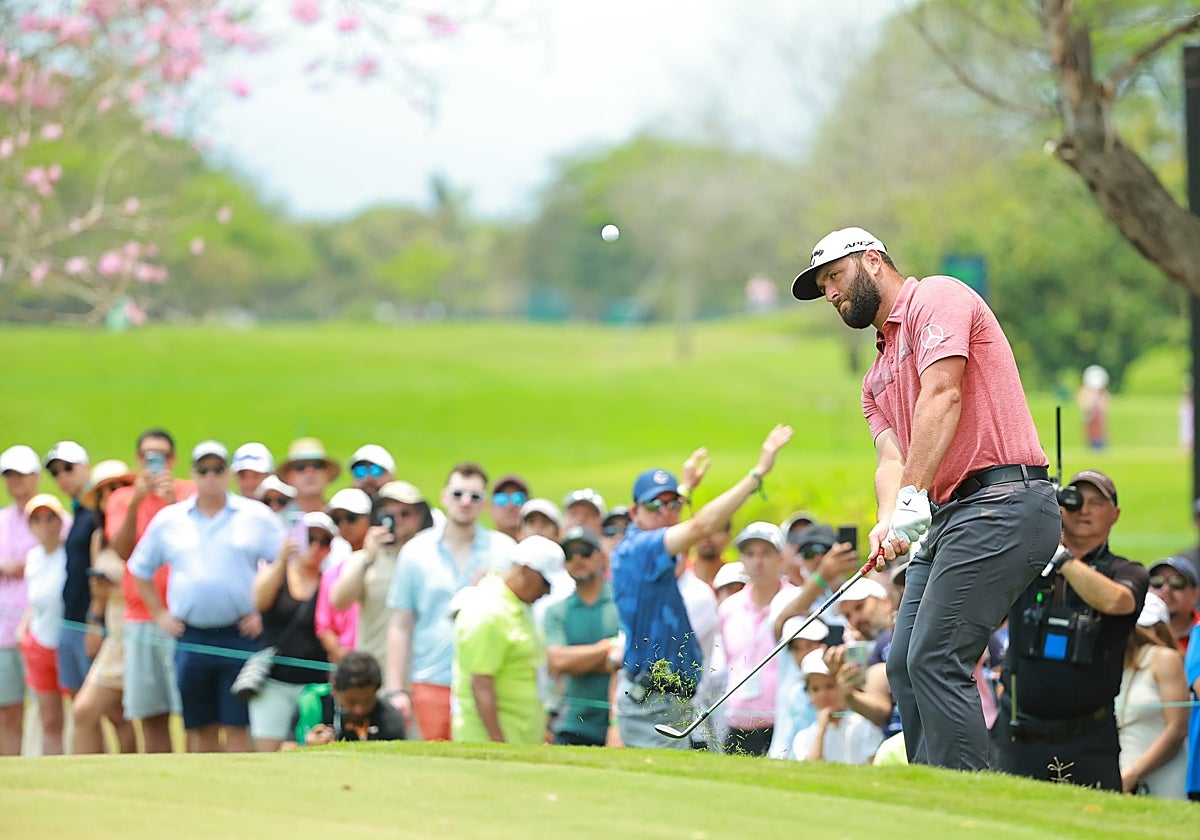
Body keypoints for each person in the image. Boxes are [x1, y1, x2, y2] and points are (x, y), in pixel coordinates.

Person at [791, 226, 1060, 771]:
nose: (832, 293)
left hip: (1006, 500)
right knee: (904, 667)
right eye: (823, 287)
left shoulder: (935, 298)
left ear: (873, 260)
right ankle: (928, 796)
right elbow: (892, 459)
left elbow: (945, 393)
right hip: (952, 517)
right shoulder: (875, 377)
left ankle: (965, 807)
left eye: (835, 277)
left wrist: (912, 501)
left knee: (936, 657)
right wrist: (888, 519)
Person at [611, 425, 792, 749]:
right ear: (634, 512)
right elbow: (701, 526)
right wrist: (757, 473)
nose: (666, 512)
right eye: (654, 506)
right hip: (651, 703)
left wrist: (685, 490)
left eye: (673, 504)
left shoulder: (652, 544)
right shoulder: (637, 549)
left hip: (674, 701)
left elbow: (677, 527)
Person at [996, 469, 1148, 790]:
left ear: (1115, 514)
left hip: (1089, 738)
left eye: (1097, 502)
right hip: (1017, 732)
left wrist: (1060, 558)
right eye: (1076, 501)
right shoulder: (1027, 562)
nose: (1085, 510)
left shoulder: (1126, 571)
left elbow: (1117, 601)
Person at [129, 440, 284, 753]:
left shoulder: (255, 515)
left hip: (239, 633)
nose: (211, 477)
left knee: (237, 723)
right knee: (198, 725)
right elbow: (140, 568)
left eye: (217, 470)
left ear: (226, 473)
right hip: (191, 634)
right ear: (194, 474)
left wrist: (262, 613)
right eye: (204, 470)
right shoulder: (171, 519)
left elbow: (284, 564)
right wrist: (159, 613)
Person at [384, 461, 515, 741]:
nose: (465, 502)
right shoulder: (416, 552)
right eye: (458, 494)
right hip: (430, 680)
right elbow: (400, 624)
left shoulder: (504, 551)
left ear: (484, 503)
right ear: (444, 497)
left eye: (475, 496)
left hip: (487, 682)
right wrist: (396, 688)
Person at [107, 427, 195, 753]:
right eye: (148, 456)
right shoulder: (122, 498)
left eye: (162, 455)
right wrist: (136, 503)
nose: (155, 462)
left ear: (173, 459)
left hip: (181, 615)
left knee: (190, 710)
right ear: (138, 459)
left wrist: (172, 503)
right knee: (151, 711)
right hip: (140, 616)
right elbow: (122, 549)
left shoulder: (188, 493)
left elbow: (198, 544)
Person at [452, 535, 562, 744]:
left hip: (521, 737)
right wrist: (499, 745)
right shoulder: (489, 612)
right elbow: (481, 683)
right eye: (546, 582)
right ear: (526, 570)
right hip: (491, 743)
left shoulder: (519, 605)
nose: (548, 591)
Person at [250, 511, 334, 751]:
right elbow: (260, 601)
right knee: (268, 750)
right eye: (310, 538)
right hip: (274, 683)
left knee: (313, 750)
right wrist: (283, 560)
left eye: (324, 541)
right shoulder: (276, 574)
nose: (316, 546)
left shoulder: (328, 581)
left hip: (314, 688)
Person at [330, 481, 432, 672]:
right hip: (374, 672)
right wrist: (368, 557)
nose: (398, 520)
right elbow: (339, 600)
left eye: (405, 513)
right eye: (390, 515)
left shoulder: (431, 560)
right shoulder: (363, 559)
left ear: (419, 517)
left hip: (420, 672)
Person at [72, 460, 138, 755]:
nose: (111, 494)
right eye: (104, 491)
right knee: (97, 713)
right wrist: (93, 622)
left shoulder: (142, 528)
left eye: (118, 487)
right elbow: (97, 592)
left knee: (129, 716)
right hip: (113, 634)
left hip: (137, 632)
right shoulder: (99, 538)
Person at [718, 522, 791, 755]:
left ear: (781, 558)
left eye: (766, 553)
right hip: (738, 723)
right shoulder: (729, 607)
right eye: (750, 554)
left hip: (782, 723)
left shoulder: (794, 601)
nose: (757, 562)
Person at [544, 527, 620, 747]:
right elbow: (557, 661)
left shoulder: (622, 603)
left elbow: (628, 658)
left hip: (618, 723)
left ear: (601, 557)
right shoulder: (557, 611)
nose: (577, 559)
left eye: (585, 551)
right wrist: (607, 649)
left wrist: (577, 660)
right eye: (569, 554)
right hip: (572, 723)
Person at [0, 444, 49, 756]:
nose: (15, 480)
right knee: (7, 710)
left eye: (21, 474)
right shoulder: (1, 520)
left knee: (46, 711)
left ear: (36, 476)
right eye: (9, 475)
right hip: (4, 631)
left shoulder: (51, 516)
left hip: (42, 628)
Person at [1116, 593, 1190, 798]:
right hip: (1122, 775)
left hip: (1161, 776)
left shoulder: (1163, 658)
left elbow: (1177, 728)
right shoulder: (1116, 663)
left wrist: (1135, 774)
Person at [16, 494, 72, 755]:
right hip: (39, 643)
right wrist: (24, 630)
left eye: (50, 518)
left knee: (80, 712)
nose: (45, 524)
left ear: (61, 521)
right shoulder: (34, 558)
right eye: (37, 519)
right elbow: (35, 600)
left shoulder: (70, 553)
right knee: (50, 718)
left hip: (68, 643)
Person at [43, 441, 94, 706]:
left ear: (85, 468)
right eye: (55, 472)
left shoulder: (96, 513)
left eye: (68, 468)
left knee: (101, 708)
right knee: (77, 705)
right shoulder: (77, 512)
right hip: (71, 620)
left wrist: (95, 619)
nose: (62, 476)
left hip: (90, 622)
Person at [287, 651, 405, 747]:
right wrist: (307, 747)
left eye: (367, 701)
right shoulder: (312, 703)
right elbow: (286, 748)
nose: (359, 709)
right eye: (351, 702)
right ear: (334, 688)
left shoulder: (390, 719)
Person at [791, 649, 883, 765]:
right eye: (815, 689)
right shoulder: (803, 737)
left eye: (830, 686)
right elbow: (810, 771)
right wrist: (821, 731)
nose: (823, 694)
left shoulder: (865, 727)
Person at [1146, 556, 1200, 654]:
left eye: (1177, 583)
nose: (1166, 589)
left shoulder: (1198, 629)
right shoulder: (1135, 632)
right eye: (1157, 582)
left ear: (1195, 594)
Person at [278, 437, 340, 514]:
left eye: (317, 465)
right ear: (288, 476)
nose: (310, 472)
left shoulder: (341, 518)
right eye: (300, 467)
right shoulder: (276, 519)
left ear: (327, 474)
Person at [490, 473, 530, 542]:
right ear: (491, 509)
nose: (510, 506)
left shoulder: (542, 548)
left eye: (518, 498)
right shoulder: (479, 549)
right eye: (501, 499)